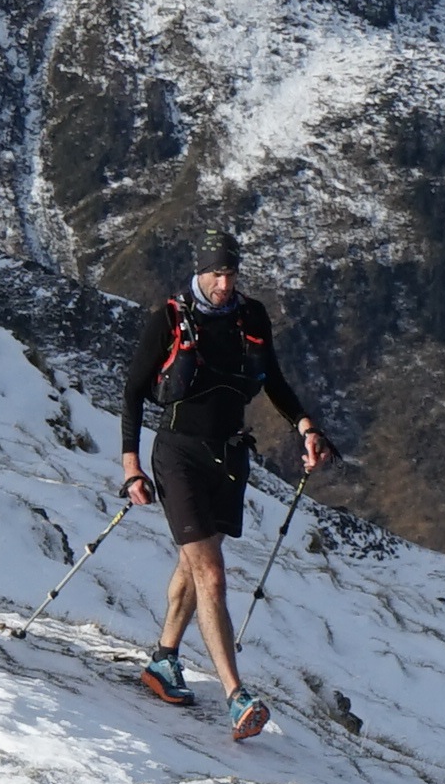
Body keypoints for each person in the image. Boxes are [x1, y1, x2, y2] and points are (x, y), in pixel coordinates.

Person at [114, 234, 324, 743]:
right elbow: (134, 390)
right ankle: (236, 696)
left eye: (231, 274)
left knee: (193, 564)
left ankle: (164, 661)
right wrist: (130, 467)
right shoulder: (170, 318)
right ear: (199, 272)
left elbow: (272, 378)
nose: (223, 283)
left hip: (229, 457)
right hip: (179, 453)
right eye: (215, 274)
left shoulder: (251, 318)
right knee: (211, 572)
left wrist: (305, 426)